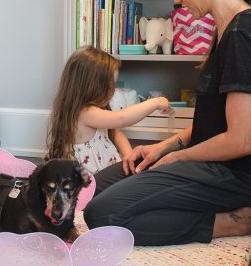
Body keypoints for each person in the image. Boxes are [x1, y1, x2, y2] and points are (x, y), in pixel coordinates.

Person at [83, 0, 251, 245]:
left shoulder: (242, 34)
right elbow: (213, 125)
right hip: (214, 165)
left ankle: (233, 223)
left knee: (103, 215)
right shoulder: (225, 31)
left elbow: (241, 141)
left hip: (244, 177)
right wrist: (164, 148)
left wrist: (179, 160)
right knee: (96, 188)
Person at [45, 46, 170, 174]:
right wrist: (156, 102)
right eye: (110, 86)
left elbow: (115, 133)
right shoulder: (84, 113)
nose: (113, 91)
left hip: (107, 174)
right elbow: (121, 119)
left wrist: (129, 155)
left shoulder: (95, 109)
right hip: (93, 185)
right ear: (92, 86)